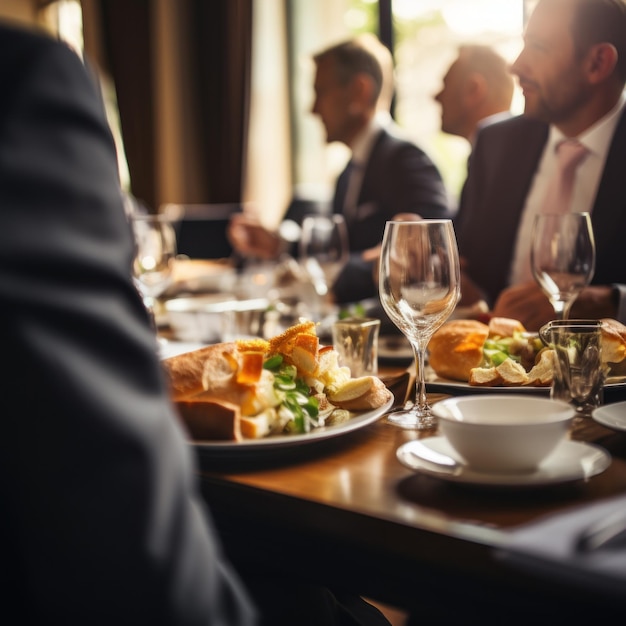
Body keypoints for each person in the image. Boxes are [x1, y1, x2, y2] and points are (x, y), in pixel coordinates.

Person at [1, 21, 395, 626]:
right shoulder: (24, 84)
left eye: (320, 90)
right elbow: (118, 535)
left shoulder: (399, 160)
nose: (311, 105)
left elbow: (403, 251)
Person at [228, 34, 450, 305]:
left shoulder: (406, 160)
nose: (313, 109)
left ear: (359, 91)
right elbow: (341, 255)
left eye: (321, 92)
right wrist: (278, 245)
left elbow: (432, 253)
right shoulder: (349, 172)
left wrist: (357, 271)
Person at [455, 0, 626, 330]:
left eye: (538, 47)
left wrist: (609, 302)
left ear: (598, 63)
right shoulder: (495, 143)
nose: (515, 66)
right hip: (495, 373)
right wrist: (430, 256)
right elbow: (468, 262)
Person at [434, 43, 514, 147]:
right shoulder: (498, 156)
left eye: (447, 85)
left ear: (473, 90)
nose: (436, 97)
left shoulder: (501, 160)